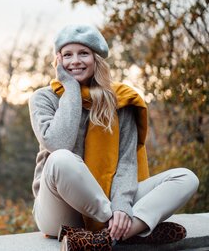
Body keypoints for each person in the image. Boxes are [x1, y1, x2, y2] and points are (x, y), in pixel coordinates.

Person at [28, 25, 199, 250]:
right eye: (67, 55)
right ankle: (131, 229)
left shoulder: (120, 100)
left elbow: (126, 162)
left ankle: (106, 237)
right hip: (60, 209)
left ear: (96, 59)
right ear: (58, 60)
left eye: (83, 53)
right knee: (60, 158)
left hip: (112, 196)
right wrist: (71, 89)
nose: (75, 61)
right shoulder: (43, 98)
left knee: (185, 177)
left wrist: (122, 206)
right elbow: (59, 143)